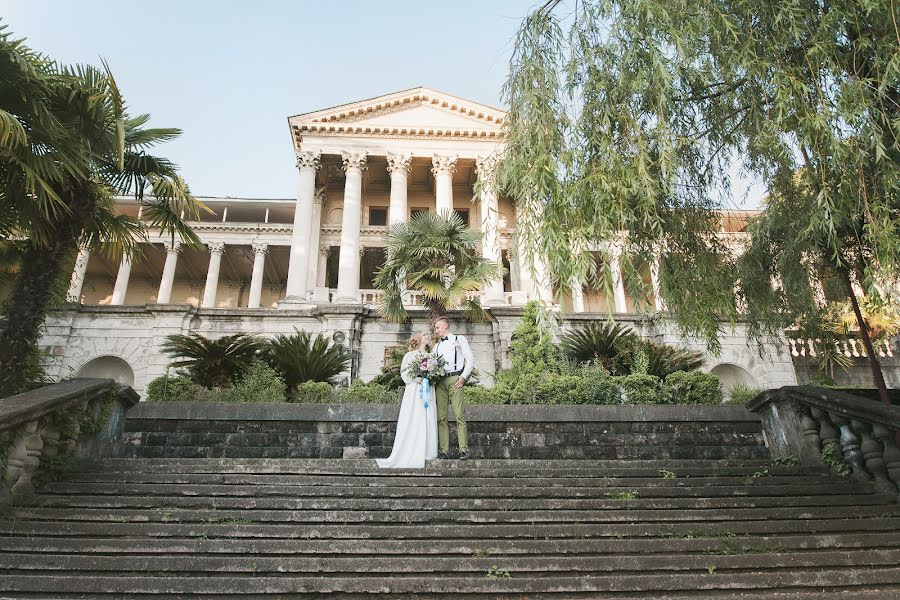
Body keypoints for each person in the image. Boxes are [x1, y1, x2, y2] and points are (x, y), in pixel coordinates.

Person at [376, 332, 438, 469]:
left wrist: (430, 378)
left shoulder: (430, 356)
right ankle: (411, 451)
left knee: (426, 418)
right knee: (414, 417)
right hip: (415, 391)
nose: (427, 337)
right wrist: (418, 379)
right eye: (424, 335)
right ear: (418, 339)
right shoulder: (409, 356)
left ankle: (427, 451)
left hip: (428, 391)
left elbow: (435, 372)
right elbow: (404, 374)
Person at [432, 316, 475, 460]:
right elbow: (431, 362)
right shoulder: (436, 346)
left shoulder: (459, 339)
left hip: (455, 379)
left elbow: (470, 359)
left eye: (437, 327)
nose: (436, 330)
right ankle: (443, 451)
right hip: (440, 382)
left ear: (445, 326)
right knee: (441, 417)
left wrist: (463, 377)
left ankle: (464, 450)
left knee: (459, 415)